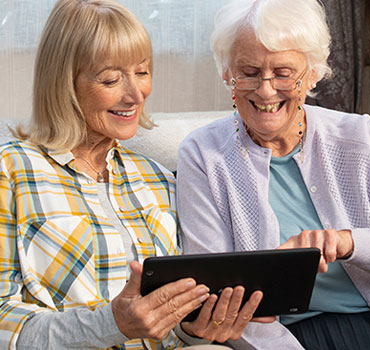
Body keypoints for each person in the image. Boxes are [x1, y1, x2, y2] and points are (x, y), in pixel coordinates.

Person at [0, 0, 272, 349]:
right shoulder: (12, 170)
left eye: (142, 72)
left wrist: (199, 325)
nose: (135, 95)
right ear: (64, 82)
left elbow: (178, 322)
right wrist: (110, 324)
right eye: (111, 79)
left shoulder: (161, 181)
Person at [176, 0, 370, 349]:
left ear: (312, 74)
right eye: (249, 72)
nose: (266, 90)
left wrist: (346, 242)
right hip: (281, 336)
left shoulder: (362, 138)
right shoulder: (203, 155)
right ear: (226, 75)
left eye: (283, 73)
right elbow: (215, 284)